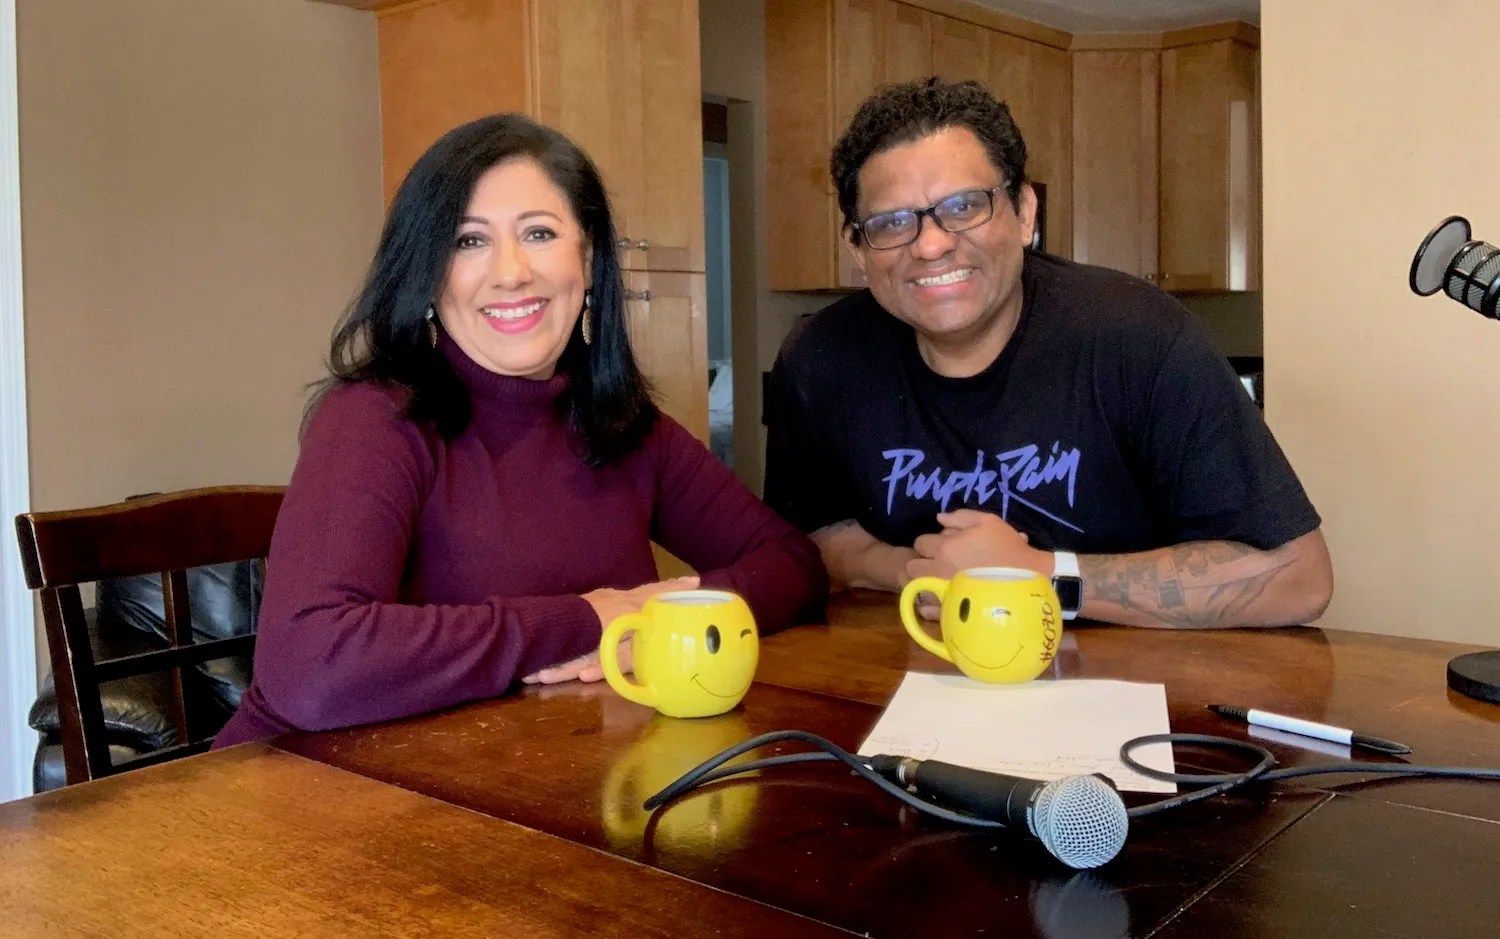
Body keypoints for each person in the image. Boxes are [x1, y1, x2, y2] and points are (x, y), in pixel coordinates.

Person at [216, 114, 827, 746]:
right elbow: (310, 665)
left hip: (524, 770)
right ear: (428, 273)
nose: (510, 272)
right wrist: (588, 620)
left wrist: (657, 612)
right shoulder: (374, 419)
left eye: (539, 233)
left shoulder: (624, 426)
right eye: (468, 241)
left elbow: (794, 565)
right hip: (301, 787)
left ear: (587, 259)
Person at [764, 78, 1331, 630]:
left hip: (1131, 676)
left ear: (1025, 213)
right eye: (891, 222)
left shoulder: (1139, 337)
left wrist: (1039, 575)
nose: (931, 244)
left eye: (964, 206)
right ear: (857, 248)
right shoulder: (820, 359)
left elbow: (1299, 577)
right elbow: (805, 541)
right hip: (911, 667)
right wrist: (923, 572)